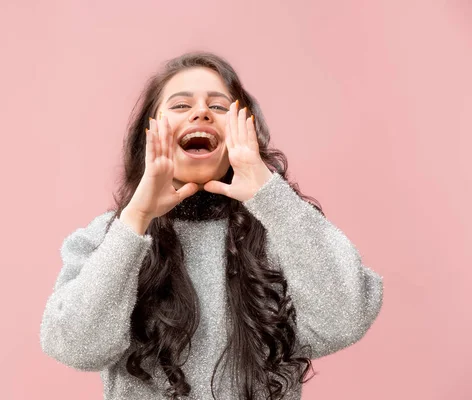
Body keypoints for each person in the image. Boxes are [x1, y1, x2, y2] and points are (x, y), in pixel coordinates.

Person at [39, 51, 384, 400]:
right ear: (150, 132)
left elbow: (345, 319)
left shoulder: (284, 230)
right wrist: (136, 219)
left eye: (219, 107)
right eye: (180, 105)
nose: (201, 112)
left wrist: (270, 195)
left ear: (245, 132)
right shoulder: (106, 238)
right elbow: (76, 347)